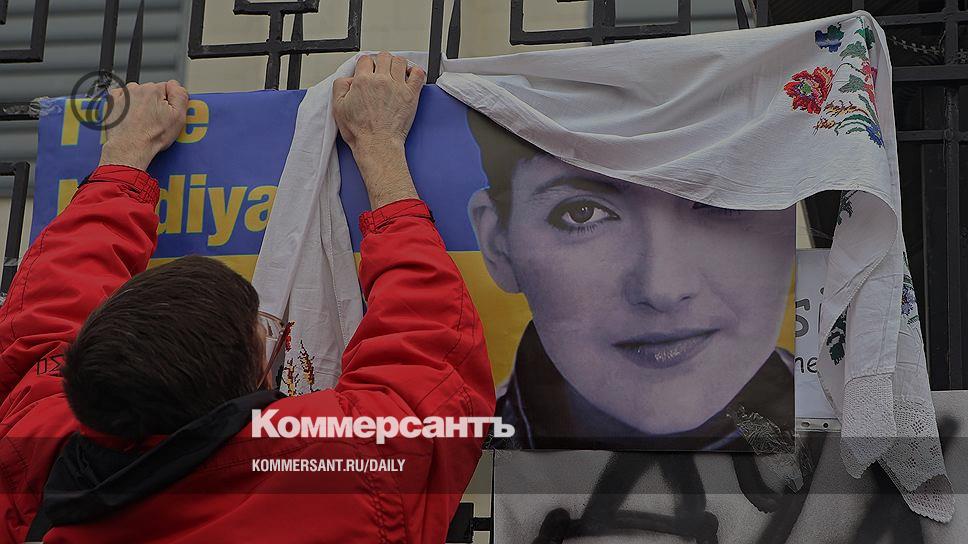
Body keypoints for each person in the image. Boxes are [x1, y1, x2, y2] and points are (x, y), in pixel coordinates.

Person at [0, 52, 495, 543]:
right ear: (259, 372)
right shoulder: (349, 481)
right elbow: (428, 350)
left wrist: (122, 162)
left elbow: (44, 321)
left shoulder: (30, 461)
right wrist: (381, 149)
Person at [465, 110, 794, 451]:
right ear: (498, 245)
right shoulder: (450, 451)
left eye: (720, 198)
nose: (662, 290)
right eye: (582, 213)